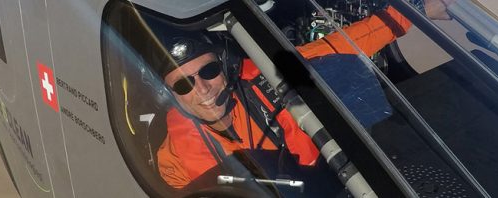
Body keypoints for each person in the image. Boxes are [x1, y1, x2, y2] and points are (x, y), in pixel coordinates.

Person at [153, 1, 452, 189]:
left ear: (226, 65)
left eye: (207, 72)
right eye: (183, 84)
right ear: (172, 95)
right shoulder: (174, 163)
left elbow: (340, 45)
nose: (202, 89)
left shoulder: (266, 78)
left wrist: (417, 11)